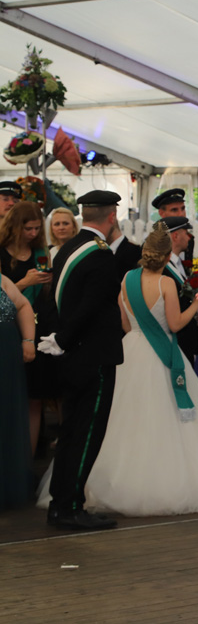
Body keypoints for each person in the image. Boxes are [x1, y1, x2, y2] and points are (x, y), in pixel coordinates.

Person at [37, 222, 198, 515]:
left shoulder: (127, 278)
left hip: (131, 349)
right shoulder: (166, 283)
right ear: (165, 256)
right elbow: (174, 324)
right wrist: (196, 304)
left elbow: (124, 323)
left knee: (120, 419)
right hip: (162, 352)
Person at [38, 190, 125, 531]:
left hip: (72, 355)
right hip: (93, 356)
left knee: (71, 431)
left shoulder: (67, 249)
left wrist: (59, 340)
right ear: (112, 216)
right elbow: (91, 307)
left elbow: (55, 301)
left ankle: (61, 504)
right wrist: (64, 338)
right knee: (86, 434)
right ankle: (70, 506)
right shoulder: (100, 254)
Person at [0, 201, 54, 456]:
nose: (33, 233)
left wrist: (47, 281)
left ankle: (28, 459)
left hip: (37, 327)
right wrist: (25, 282)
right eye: (28, 228)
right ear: (15, 226)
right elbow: (6, 296)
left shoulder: (40, 251)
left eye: (37, 228)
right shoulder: (2, 252)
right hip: (8, 327)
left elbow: (46, 293)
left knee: (35, 397)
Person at [0, 273, 35, 510]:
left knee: (6, 416)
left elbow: (22, 305)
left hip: (6, 356)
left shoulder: (2, 280)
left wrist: (28, 341)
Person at [161, 216, 198, 365]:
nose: (189, 237)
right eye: (186, 233)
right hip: (174, 341)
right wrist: (197, 304)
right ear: (175, 236)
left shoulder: (179, 263)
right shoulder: (163, 268)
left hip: (185, 339)